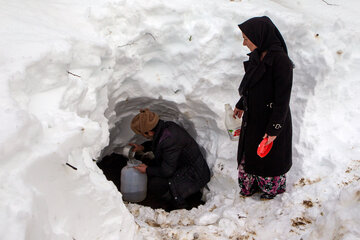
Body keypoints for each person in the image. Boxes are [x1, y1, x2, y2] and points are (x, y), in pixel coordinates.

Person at [234, 16, 293, 199]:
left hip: (272, 118)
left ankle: (269, 189)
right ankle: (250, 186)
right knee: (250, 153)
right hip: (253, 117)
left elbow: (282, 99)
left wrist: (274, 129)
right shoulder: (256, 56)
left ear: (259, 37)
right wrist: (242, 103)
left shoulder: (280, 61)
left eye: (246, 38)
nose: (244, 43)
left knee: (268, 156)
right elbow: (251, 84)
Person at [129, 109, 211, 210]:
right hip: (181, 165)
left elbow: (167, 171)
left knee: (155, 184)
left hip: (195, 174)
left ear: (149, 132)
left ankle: (178, 201)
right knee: (153, 169)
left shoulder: (170, 139)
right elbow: (160, 144)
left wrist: (147, 169)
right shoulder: (166, 127)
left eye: (143, 134)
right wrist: (143, 148)